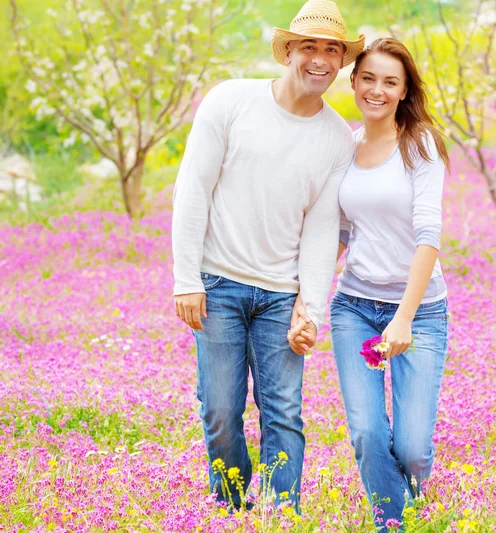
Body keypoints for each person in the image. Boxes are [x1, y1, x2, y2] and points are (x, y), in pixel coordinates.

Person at [171, 0, 364, 513]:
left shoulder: (336, 139)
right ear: (288, 52)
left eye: (331, 49)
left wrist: (311, 309)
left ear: (343, 59)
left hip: (281, 296)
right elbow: (193, 190)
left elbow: (322, 231)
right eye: (309, 47)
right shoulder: (230, 101)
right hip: (217, 286)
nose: (319, 59)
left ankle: (282, 515)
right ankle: (232, 509)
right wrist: (185, 278)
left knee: (283, 412)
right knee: (220, 411)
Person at [330, 38, 450, 530]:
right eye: (368, 79)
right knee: (366, 433)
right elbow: (337, 233)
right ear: (354, 82)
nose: (376, 90)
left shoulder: (420, 143)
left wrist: (402, 317)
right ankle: (392, 524)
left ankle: (412, 501)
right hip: (354, 305)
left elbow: (429, 236)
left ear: (404, 91)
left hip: (418, 312)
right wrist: (304, 296)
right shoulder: (344, 146)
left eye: (390, 82)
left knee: (413, 447)